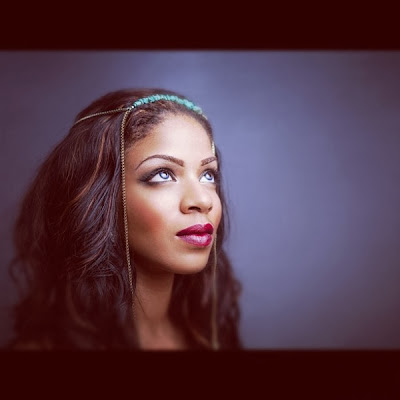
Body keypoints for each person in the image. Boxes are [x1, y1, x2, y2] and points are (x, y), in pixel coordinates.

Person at [8, 88, 242, 350]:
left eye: (208, 175)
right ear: (100, 196)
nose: (202, 200)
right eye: (163, 174)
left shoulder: (211, 335)